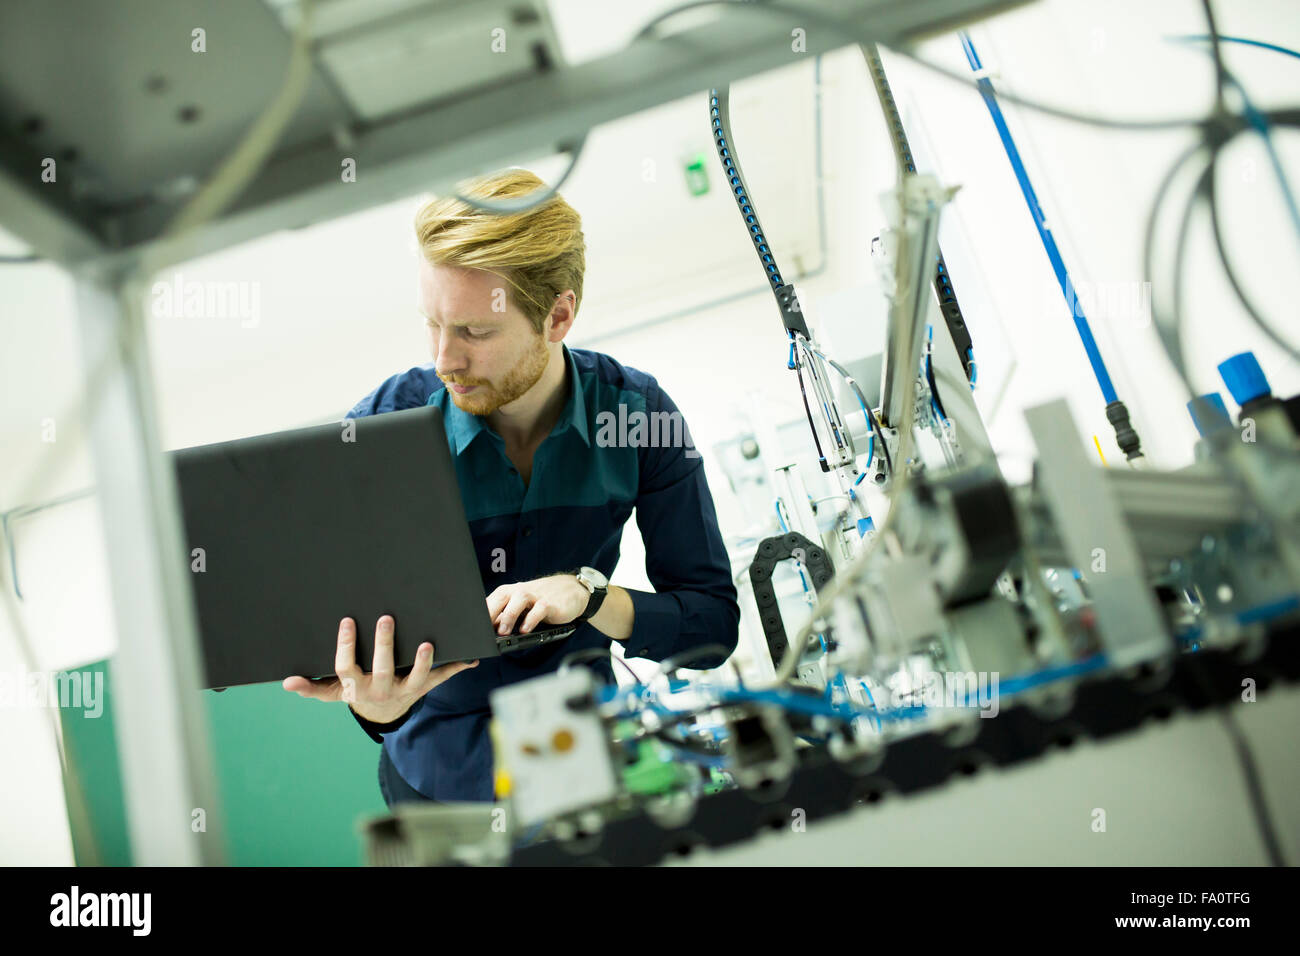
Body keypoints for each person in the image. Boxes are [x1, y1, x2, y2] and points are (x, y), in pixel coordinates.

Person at [282, 168, 739, 805]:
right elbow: (348, 650)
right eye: (433, 325)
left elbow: (711, 627)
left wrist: (588, 595)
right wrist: (376, 706)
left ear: (558, 316)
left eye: (475, 331)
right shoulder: (380, 432)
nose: (445, 359)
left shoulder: (637, 416)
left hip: (585, 764)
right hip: (436, 782)